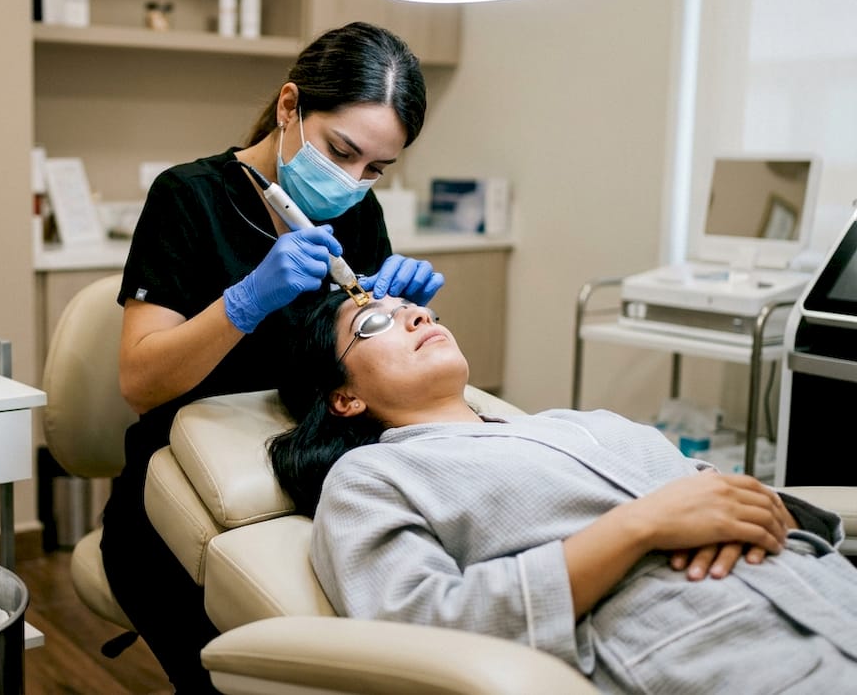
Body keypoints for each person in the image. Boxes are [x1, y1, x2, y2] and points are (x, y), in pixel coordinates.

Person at [269, 290, 857, 693]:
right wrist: (638, 528)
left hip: (827, 595)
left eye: (416, 308)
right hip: (722, 654)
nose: (419, 316)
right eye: (375, 323)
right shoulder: (372, 476)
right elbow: (417, 625)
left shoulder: (581, 423)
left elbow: (711, 493)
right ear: (344, 398)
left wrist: (757, 506)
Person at [103, 22, 445, 693]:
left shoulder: (357, 213)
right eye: (342, 151)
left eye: (375, 168)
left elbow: (363, 368)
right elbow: (139, 383)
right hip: (175, 487)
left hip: (312, 471)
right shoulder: (189, 198)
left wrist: (400, 313)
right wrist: (245, 301)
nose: (353, 182)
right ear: (290, 107)